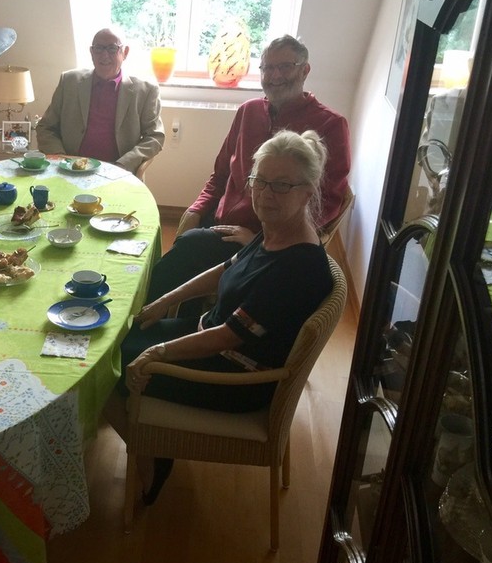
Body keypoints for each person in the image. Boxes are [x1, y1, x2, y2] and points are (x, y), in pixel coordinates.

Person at [111, 129, 334, 506]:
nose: (265, 195)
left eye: (282, 185)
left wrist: (159, 353)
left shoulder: (298, 269)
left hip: (233, 378)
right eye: (260, 181)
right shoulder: (277, 232)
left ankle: (149, 455)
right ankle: (156, 440)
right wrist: (168, 298)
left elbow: (229, 337)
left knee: (108, 368)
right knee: (115, 341)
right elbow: (227, 268)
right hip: (210, 341)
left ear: (308, 191)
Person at [145, 35, 350, 309]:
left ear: (305, 70)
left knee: (188, 251)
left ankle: (143, 321)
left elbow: (326, 203)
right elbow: (219, 175)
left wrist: (263, 239)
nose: (275, 76)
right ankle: (165, 319)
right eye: (267, 68)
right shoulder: (248, 111)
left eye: (285, 66)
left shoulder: (330, 124)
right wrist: (196, 209)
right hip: (220, 221)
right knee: (184, 248)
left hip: (267, 238)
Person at [36, 27, 165, 175]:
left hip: (117, 173)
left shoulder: (146, 90)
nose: (104, 55)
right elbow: (45, 127)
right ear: (91, 52)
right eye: (98, 48)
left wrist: (124, 164)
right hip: (70, 169)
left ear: (125, 52)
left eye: (112, 48)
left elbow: (155, 136)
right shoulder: (69, 81)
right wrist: (61, 158)